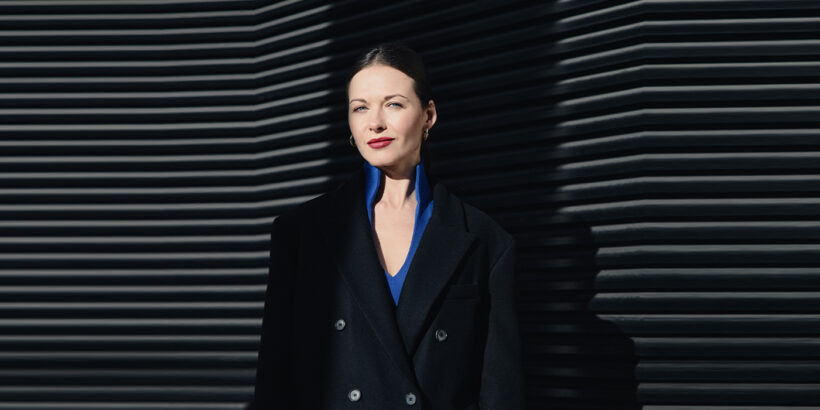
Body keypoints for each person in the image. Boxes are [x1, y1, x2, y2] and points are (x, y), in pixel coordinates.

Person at [246, 43, 526, 410]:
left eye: (393, 104)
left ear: (428, 115)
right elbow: (274, 383)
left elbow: (501, 393)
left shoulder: (484, 240)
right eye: (360, 108)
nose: (375, 122)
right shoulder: (301, 233)